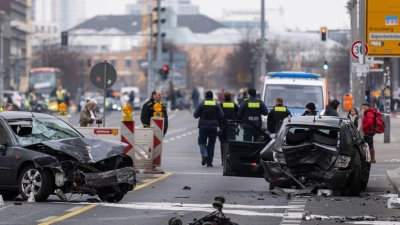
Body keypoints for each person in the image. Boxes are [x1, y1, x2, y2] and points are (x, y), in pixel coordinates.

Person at [193, 91, 224, 167]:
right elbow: (221, 116)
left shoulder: (201, 103)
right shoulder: (216, 104)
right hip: (213, 126)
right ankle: (209, 162)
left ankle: (204, 154)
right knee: (211, 143)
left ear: (205, 96)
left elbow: (195, 115)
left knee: (202, 142)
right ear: (212, 97)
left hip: (203, 126)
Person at [218, 91, 239, 166]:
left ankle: (223, 161)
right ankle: (231, 160)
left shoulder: (221, 104)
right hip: (232, 126)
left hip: (223, 126)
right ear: (230, 97)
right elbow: (238, 115)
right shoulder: (234, 105)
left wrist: (219, 125)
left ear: (224, 96)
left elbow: (218, 115)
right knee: (231, 144)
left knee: (222, 144)